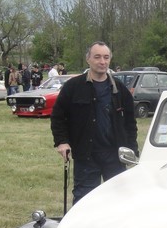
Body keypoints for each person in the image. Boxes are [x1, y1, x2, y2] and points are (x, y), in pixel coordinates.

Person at [51, 41, 138, 204]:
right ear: (88, 59)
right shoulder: (73, 87)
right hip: (86, 155)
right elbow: (58, 116)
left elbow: (130, 123)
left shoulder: (119, 89)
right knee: (84, 201)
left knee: (120, 200)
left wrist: (132, 150)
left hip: (114, 156)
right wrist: (62, 142)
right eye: (97, 57)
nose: (102, 62)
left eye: (106, 57)